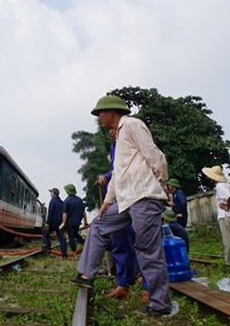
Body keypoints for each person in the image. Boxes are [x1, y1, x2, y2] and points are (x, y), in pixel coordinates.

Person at [72, 95, 174, 318]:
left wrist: (161, 184)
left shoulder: (133, 125)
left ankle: (160, 304)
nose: (99, 118)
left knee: (147, 250)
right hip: (125, 200)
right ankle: (87, 275)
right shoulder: (118, 140)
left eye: (101, 114)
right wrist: (107, 202)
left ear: (112, 112)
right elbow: (118, 175)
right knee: (98, 224)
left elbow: (155, 156)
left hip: (144, 196)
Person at [97, 126, 137, 300]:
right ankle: (123, 284)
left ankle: (146, 285)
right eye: (110, 132)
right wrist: (105, 177)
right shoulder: (114, 148)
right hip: (118, 201)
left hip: (136, 199)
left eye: (114, 130)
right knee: (120, 244)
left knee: (139, 243)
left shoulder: (134, 142)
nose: (112, 133)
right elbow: (116, 172)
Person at [202, 165, 230, 265]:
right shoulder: (227, 185)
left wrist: (227, 206)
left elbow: (229, 196)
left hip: (225, 215)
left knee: (228, 240)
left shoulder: (219, 186)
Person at [59, 184, 88, 257]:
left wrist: (63, 223)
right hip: (78, 222)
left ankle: (74, 254)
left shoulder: (67, 201)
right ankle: (84, 243)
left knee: (71, 238)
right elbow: (83, 212)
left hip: (70, 223)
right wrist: (86, 221)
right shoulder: (79, 200)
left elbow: (65, 213)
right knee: (75, 234)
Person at [43, 188, 66, 257]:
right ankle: (64, 254)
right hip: (60, 223)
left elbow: (50, 213)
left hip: (53, 223)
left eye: (51, 192)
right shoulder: (62, 202)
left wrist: (47, 223)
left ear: (53, 193)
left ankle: (48, 248)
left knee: (45, 233)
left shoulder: (52, 201)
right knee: (62, 238)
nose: (50, 194)